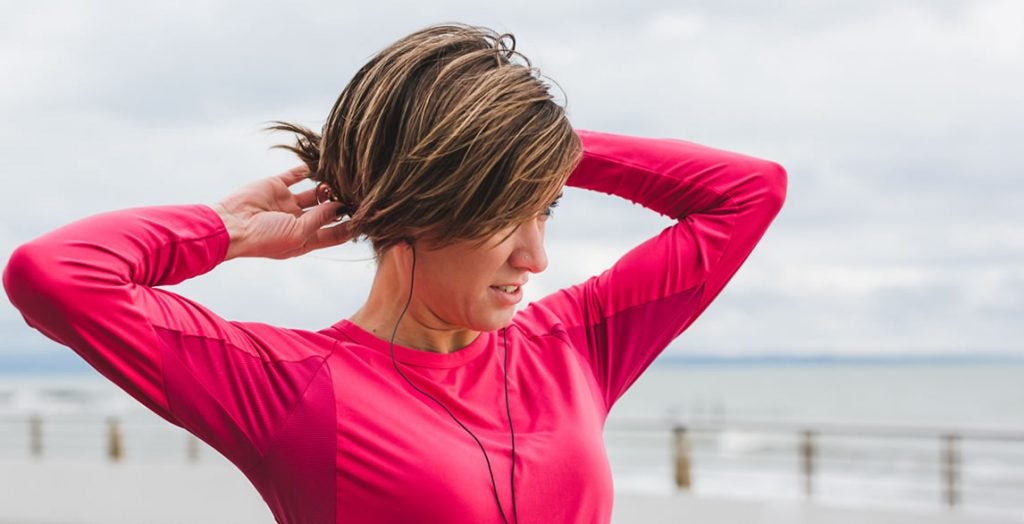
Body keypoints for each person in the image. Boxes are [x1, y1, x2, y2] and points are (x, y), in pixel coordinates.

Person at [2, 22, 787, 524]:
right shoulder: (292, 391)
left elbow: (749, 192)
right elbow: (56, 275)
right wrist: (227, 234)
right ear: (421, 205)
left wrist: (522, 140)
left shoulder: (573, 349)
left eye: (545, 211)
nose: (536, 258)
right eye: (502, 217)